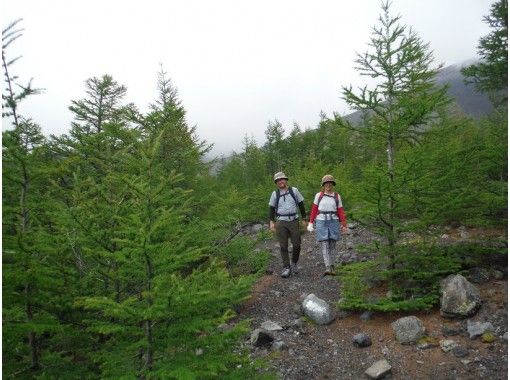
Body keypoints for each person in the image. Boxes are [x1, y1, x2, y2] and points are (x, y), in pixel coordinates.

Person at [307, 174, 348, 276]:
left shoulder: (337, 196)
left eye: (330, 183)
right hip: (321, 221)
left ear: (332, 184)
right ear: (323, 185)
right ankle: (328, 266)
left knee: (332, 244)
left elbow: (340, 210)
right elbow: (314, 209)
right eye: (326, 183)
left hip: (334, 221)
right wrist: (311, 222)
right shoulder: (318, 196)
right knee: (324, 243)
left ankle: (332, 266)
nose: (328, 185)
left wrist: (344, 224)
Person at [268, 172, 307, 278]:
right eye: (278, 180)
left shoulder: (294, 191)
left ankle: (294, 263)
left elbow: (301, 204)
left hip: (294, 220)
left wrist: (304, 218)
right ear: (276, 182)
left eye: (282, 179)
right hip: (280, 222)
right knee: (283, 246)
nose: (280, 181)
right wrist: (271, 222)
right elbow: (271, 209)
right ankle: (286, 267)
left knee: (297, 244)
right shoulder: (274, 194)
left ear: (286, 180)